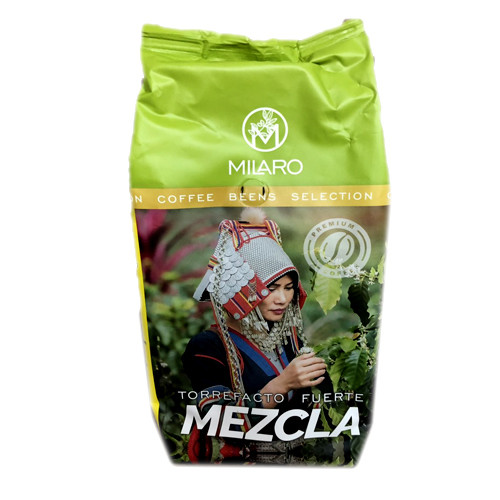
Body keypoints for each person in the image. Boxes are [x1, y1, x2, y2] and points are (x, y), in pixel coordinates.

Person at [182, 208, 330, 463]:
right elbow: (216, 420)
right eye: (271, 289)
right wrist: (280, 386)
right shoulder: (207, 347)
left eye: (289, 288)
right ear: (239, 291)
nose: (282, 299)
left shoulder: (290, 341)